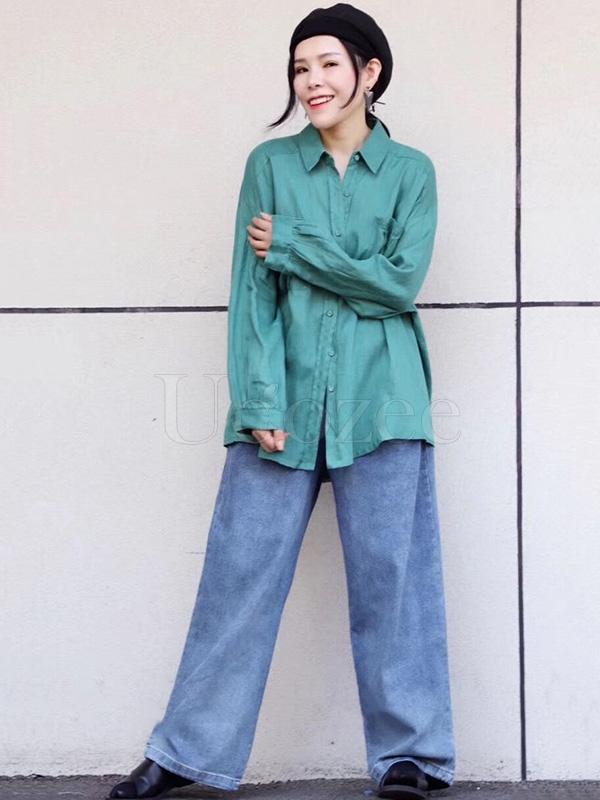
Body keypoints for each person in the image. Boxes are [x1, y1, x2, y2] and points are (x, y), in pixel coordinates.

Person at [107, 4, 456, 799]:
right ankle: (185, 751)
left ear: (369, 72)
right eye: (301, 67)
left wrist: (294, 245)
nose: (312, 81)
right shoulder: (270, 166)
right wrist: (260, 397)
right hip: (283, 402)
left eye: (329, 64)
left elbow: (398, 285)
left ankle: (411, 756)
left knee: (393, 581)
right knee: (239, 578)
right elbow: (251, 291)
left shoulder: (412, 173)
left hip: (384, 400)